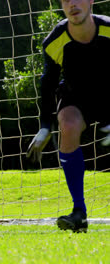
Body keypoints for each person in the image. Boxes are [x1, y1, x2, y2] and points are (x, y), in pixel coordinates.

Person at [27, 0, 110, 233]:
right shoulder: (55, 41)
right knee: (69, 125)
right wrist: (44, 127)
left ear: (91, 1)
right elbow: (48, 85)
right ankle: (79, 214)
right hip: (75, 95)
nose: (72, 4)